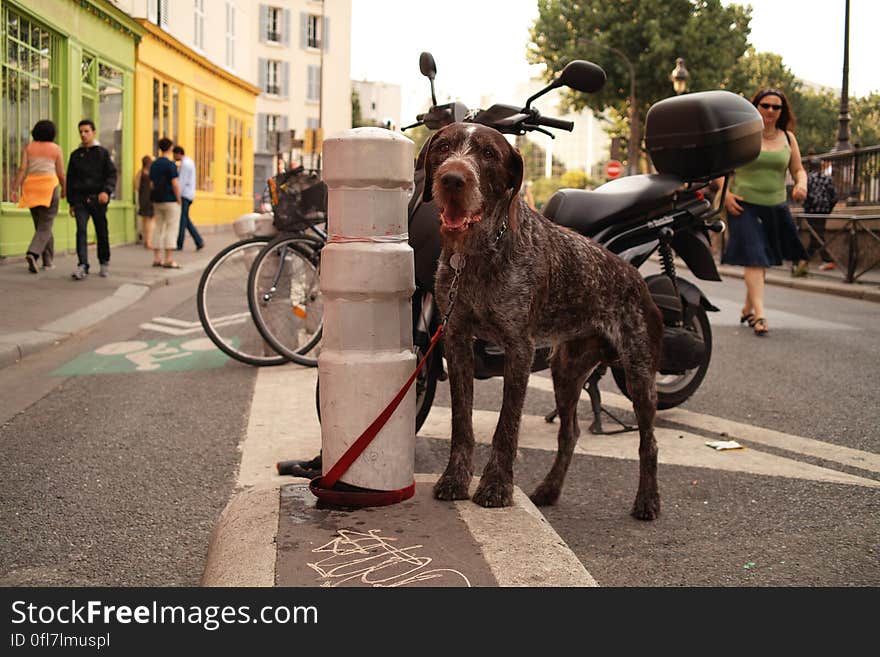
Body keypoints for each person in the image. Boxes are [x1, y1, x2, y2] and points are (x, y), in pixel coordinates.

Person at [720, 88, 808, 337]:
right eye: (765, 105)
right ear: (755, 107)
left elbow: (798, 169)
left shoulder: (788, 138)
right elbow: (721, 167)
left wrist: (801, 184)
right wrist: (725, 194)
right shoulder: (745, 135)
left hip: (776, 206)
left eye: (775, 107)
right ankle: (759, 314)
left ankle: (748, 306)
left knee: (762, 258)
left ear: (782, 111)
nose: (770, 110)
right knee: (755, 256)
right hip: (743, 204)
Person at [10, 120, 65, 273]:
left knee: (42, 226)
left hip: (31, 187)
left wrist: (15, 189)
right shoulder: (56, 149)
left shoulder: (29, 147)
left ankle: (48, 262)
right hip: (49, 187)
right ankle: (33, 253)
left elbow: (22, 169)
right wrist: (65, 188)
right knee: (46, 225)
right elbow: (60, 173)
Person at [66, 119, 117, 280]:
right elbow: (70, 179)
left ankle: (104, 262)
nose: (83, 134)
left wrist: (106, 191)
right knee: (81, 230)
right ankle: (83, 265)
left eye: (86, 131)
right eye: (81, 131)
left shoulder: (102, 153)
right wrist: (71, 202)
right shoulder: (75, 156)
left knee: (101, 231)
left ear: (93, 132)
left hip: (98, 199)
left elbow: (111, 174)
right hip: (80, 199)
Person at [793, 156, 838, 276]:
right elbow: (834, 196)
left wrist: (806, 207)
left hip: (812, 210)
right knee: (817, 235)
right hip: (823, 210)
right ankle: (821, 260)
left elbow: (805, 196)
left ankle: (805, 262)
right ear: (820, 167)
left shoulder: (807, 179)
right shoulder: (826, 178)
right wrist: (828, 209)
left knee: (816, 236)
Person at [149, 138, 182, 269]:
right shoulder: (170, 164)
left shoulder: (154, 164)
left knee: (158, 227)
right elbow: (175, 184)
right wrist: (179, 199)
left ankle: (157, 258)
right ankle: (168, 259)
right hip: (170, 200)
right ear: (170, 148)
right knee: (171, 228)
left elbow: (151, 184)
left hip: (157, 200)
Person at [172, 145, 204, 251]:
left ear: (178, 153)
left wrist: (177, 196)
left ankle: (179, 244)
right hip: (188, 194)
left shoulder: (185, 164)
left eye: (174, 155)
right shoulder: (189, 162)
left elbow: (182, 181)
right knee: (186, 219)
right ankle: (198, 241)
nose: (174, 157)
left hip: (184, 195)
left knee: (182, 220)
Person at [135, 155, 155, 249]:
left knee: (144, 220)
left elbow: (137, 186)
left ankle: (145, 239)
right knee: (151, 220)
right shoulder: (151, 174)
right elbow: (153, 186)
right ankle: (149, 241)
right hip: (150, 198)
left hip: (143, 198)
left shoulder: (140, 173)